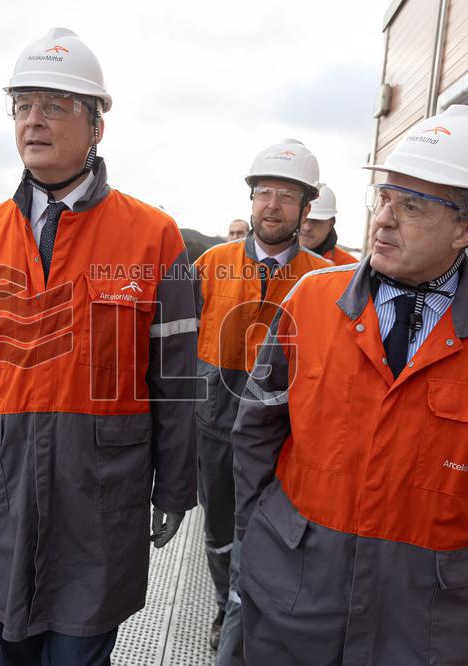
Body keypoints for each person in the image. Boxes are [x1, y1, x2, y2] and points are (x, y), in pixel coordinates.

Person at [0, 27, 198, 665]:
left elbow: (174, 377)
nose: (35, 121)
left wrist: (176, 487)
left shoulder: (153, 237)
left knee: (81, 653)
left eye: (55, 106)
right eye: (23, 105)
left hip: (100, 499)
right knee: (14, 646)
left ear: (96, 128)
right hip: (7, 489)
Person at [232, 105, 468, 666]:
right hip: (291, 601)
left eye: (412, 206)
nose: (384, 219)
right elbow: (254, 441)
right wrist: (249, 560)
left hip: (422, 625)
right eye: (385, 196)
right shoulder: (310, 302)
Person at [194, 139, 331, 660]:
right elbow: (180, 350)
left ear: (305, 208)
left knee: (280, 530)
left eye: (286, 195)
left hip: (286, 433)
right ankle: (223, 603)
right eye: (263, 192)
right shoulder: (211, 263)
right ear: (251, 201)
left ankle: (259, 613)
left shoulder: (322, 279)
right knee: (221, 530)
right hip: (215, 428)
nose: (271, 204)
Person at [297, 183, 357, 265]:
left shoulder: (349, 266)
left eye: (316, 220)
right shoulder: (277, 257)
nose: (307, 227)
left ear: (331, 223)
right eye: (304, 217)